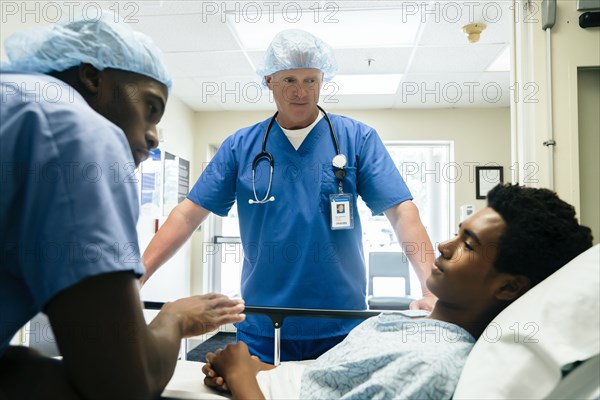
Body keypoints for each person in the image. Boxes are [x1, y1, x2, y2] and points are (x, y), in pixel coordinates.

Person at [141, 29, 436, 363]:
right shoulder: (241, 147)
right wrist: (137, 277)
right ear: (269, 81)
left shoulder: (357, 139)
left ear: (323, 79)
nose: (301, 92)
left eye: (311, 80)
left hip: (342, 322)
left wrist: (432, 288)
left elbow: (402, 213)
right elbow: (187, 215)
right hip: (262, 323)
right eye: (289, 80)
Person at [0, 15, 245, 399]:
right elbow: (126, 386)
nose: (153, 138)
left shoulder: (16, 101)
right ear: (93, 77)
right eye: (150, 108)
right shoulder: (74, 130)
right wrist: (175, 317)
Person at [201, 183, 594, 399]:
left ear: (509, 286)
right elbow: (327, 381)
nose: (443, 246)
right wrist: (258, 369)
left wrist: (241, 378)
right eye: (458, 233)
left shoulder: (436, 368)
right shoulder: (411, 324)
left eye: (468, 245)